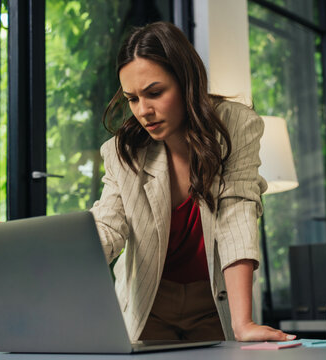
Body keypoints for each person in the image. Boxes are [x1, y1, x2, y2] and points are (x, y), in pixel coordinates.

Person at [90, 21, 294, 342]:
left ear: (186, 81)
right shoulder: (122, 152)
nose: (143, 111)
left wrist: (243, 323)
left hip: (212, 301)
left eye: (155, 93)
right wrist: (25, 249)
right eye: (132, 98)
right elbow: (107, 228)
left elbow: (237, 213)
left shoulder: (235, 125)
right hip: (148, 303)